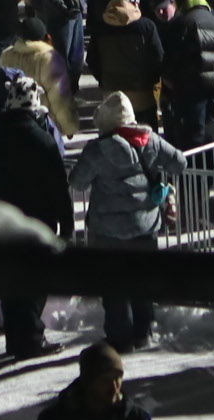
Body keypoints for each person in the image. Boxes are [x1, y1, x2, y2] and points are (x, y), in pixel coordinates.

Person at [71, 93, 185, 351]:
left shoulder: (97, 149)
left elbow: (77, 182)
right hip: (146, 227)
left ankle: (120, 339)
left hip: (108, 231)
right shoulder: (151, 140)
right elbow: (180, 162)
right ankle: (143, 332)